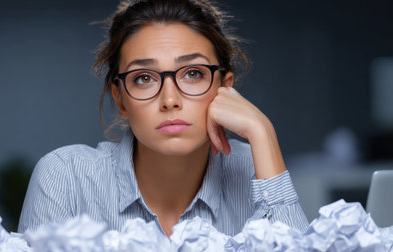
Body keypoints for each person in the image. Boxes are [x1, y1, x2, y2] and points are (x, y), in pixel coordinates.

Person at [18, 0, 309, 237]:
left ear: (225, 89)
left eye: (193, 73)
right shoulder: (67, 178)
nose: (170, 100)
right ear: (120, 99)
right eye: (144, 78)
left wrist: (263, 133)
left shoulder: (255, 169)